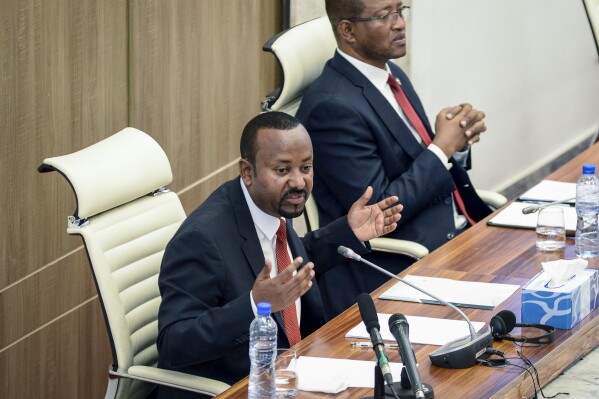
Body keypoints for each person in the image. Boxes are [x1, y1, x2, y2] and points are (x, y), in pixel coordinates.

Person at [155, 111, 403, 399]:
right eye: (282, 170)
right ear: (248, 172)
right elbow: (175, 343)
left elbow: (290, 260)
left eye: (306, 167)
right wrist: (254, 305)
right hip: (239, 386)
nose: (298, 182)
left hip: (295, 371)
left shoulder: (270, 205)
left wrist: (348, 232)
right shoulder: (203, 239)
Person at [296, 0, 494, 318]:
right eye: (384, 16)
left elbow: (418, 164)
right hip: (399, 264)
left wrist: (457, 142)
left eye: (400, 11)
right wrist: (441, 147)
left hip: (453, 233)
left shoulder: (390, 74)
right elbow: (381, 212)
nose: (399, 24)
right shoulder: (331, 109)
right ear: (348, 30)